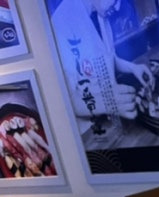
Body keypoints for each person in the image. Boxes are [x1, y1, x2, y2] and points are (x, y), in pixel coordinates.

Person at [50, 0, 153, 136]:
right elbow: (65, 99)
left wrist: (133, 68)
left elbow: (109, 57)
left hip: (110, 119)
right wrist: (109, 103)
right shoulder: (61, 22)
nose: (118, 7)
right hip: (89, 131)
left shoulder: (100, 12)